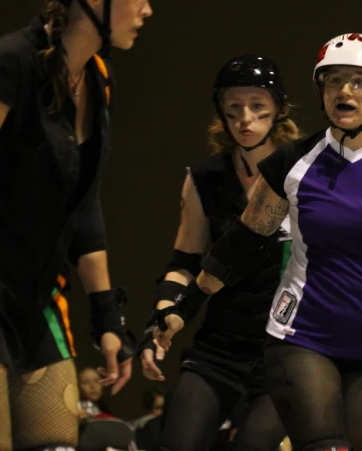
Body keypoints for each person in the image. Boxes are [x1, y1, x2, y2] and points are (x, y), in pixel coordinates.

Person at [154, 32, 362, 451]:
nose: (344, 91)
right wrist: (187, 304)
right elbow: (241, 243)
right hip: (301, 335)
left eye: (359, 82)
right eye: (333, 81)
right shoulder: (293, 162)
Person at [0, 0, 156, 449]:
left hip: (40, 302)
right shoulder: (7, 64)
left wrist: (107, 320)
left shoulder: (98, 78)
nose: (147, 9)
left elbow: (84, 204)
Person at [137, 55, 298, 451]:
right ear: (221, 114)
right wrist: (162, 313)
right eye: (234, 108)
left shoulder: (305, 173)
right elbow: (183, 263)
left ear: (278, 109)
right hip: (220, 346)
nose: (246, 118)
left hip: (288, 348)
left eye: (258, 107)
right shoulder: (204, 178)